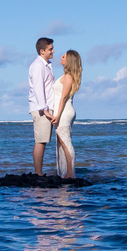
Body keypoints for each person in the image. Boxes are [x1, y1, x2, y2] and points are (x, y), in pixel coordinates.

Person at [49, 49, 82, 179]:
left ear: (69, 61)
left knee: (65, 142)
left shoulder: (68, 77)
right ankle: (64, 171)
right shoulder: (65, 75)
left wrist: (57, 115)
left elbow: (63, 98)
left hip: (63, 112)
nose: (61, 57)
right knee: (62, 142)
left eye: (64, 56)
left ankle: (70, 173)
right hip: (62, 111)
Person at [28, 37, 55, 174]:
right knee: (40, 141)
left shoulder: (45, 65)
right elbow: (38, 89)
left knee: (43, 141)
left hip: (46, 108)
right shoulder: (38, 66)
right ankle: (38, 173)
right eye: (50, 49)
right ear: (42, 51)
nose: (53, 51)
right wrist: (44, 110)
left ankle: (38, 172)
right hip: (41, 109)